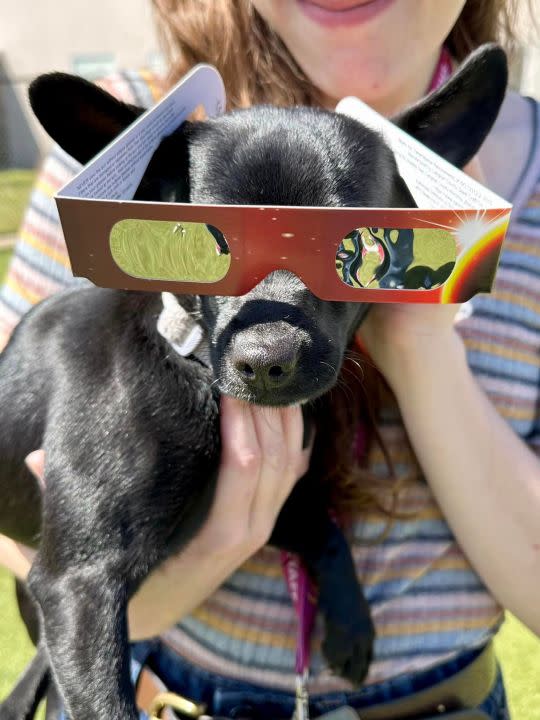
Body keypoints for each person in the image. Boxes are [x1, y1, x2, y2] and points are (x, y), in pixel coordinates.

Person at [1, 1, 539, 718]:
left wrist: (416, 333)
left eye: (335, 249)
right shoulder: (146, 142)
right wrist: (205, 549)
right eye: (210, 247)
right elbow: (31, 530)